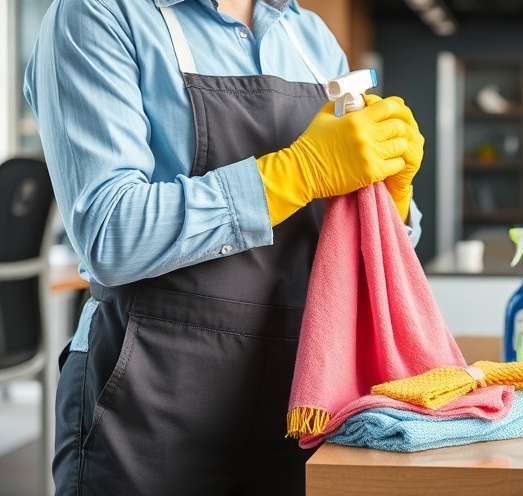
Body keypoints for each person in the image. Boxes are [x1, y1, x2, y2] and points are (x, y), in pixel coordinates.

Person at [24, 1, 424, 494]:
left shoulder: (311, 37)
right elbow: (110, 233)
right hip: (147, 408)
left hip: (300, 406)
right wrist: (295, 173)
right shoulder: (100, 14)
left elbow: (344, 254)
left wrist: (390, 203)